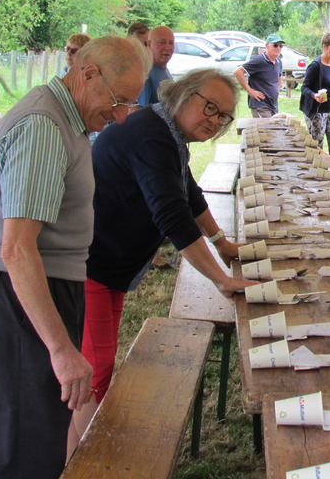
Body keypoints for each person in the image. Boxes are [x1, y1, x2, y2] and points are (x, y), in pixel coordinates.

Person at [0, 36, 149, 479]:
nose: (121, 115)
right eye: (119, 101)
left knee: (43, 436)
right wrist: (62, 349)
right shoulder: (44, 127)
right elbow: (17, 249)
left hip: (36, 289)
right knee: (28, 447)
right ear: (88, 74)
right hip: (20, 295)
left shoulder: (65, 119)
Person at [68, 68, 258, 452]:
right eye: (209, 107)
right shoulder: (152, 135)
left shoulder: (164, 131)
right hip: (88, 265)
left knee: (97, 365)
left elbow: (187, 191)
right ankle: (78, 458)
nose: (215, 120)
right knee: (93, 370)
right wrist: (221, 279)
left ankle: (84, 450)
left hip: (107, 264)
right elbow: (172, 215)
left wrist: (222, 243)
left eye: (223, 116)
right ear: (184, 94)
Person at [300, 33, 330, 160]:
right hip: (317, 113)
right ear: (324, 47)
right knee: (316, 147)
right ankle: (315, 174)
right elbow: (304, 88)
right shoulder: (315, 66)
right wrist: (314, 95)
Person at [234, 33, 284, 118]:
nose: (278, 48)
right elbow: (237, 72)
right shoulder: (259, 60)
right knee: (266, 129)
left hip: (273, 105)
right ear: (267, 46)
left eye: (280, 46)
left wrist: (276, 91)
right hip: (260, 105)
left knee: (274, 129)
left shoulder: (278, 61)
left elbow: (279, 77)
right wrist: (250, 91)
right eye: (275, 45)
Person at [137, 25, 175, 106]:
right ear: (149, 45)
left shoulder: (164, 70)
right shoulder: (146, 74)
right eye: (162, 42)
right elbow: (137, 112)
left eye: (171, 43)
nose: (167, 47)